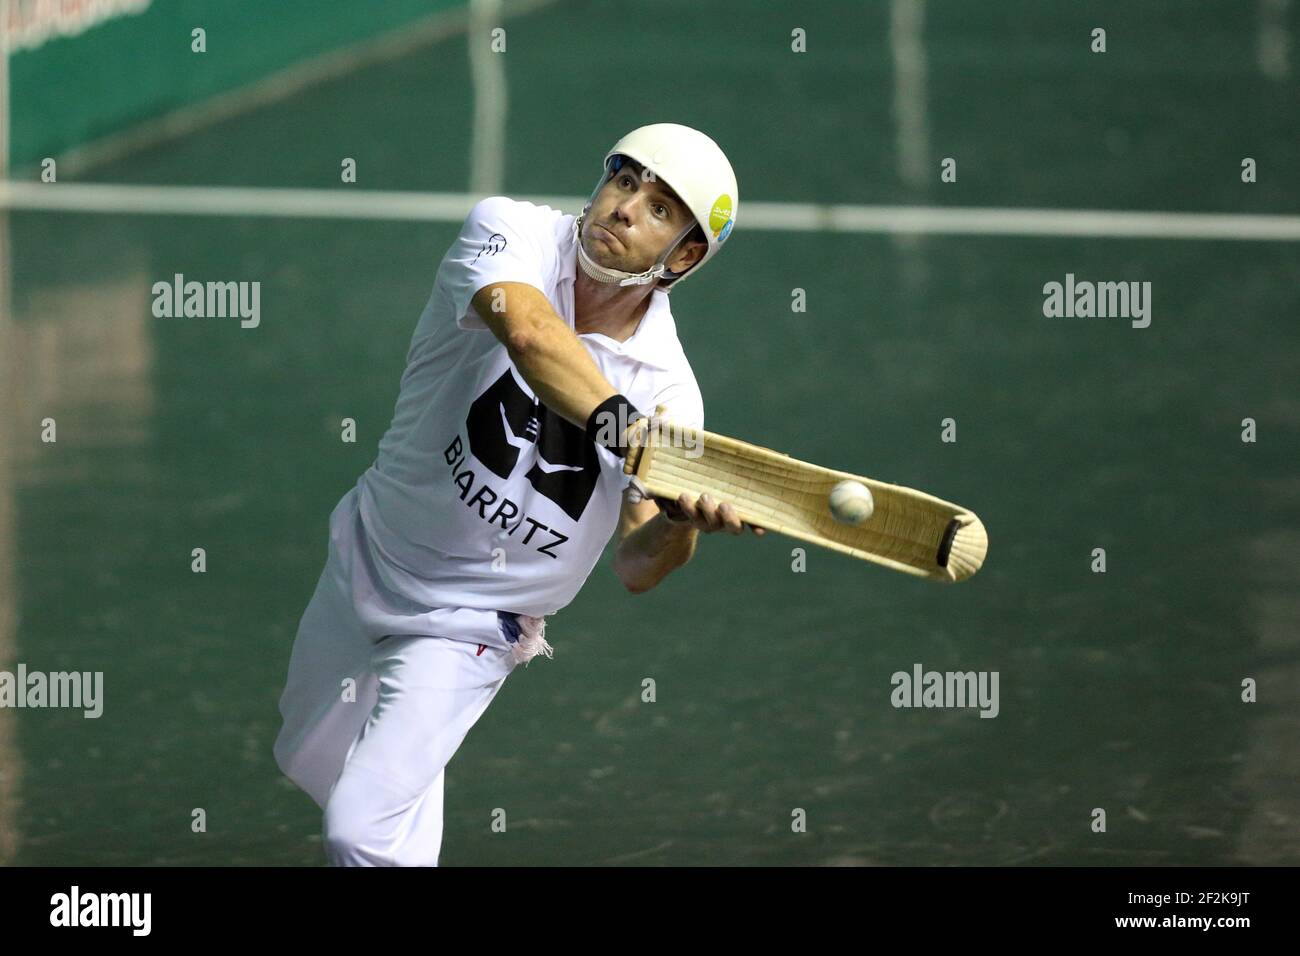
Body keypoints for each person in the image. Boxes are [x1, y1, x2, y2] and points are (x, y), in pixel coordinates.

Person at [272, 123, 762, 866]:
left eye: (660, 209)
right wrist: (631, 438)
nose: (626, 208)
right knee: (309, 760)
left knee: (360, 826)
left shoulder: (670, 393)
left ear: (684, 256)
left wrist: (682, 525)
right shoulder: (509, 231)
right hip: (367, 552)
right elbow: (530, 336)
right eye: (624, 181)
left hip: (473, 620)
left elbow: (636, 565)